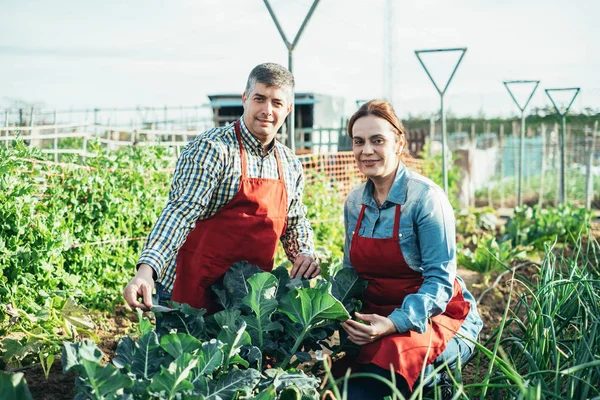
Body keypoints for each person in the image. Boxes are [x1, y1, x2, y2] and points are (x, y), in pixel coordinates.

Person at [123, 63, 320, 314]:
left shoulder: (290, 164)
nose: (267, 110)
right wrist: (146, 271)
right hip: (194, 291)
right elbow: (180, 213)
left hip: (248, 299)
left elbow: (294, 221)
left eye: (277, 103)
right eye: (259, 98)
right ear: (245, 98)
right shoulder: (213, 149)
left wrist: (303, 253)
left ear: (288, 109)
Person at [339, 100, 482, 398]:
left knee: (372, 385)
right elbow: (349, 275)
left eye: (377, 140)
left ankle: (436, 376)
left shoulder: (426, 199)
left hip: (437, 318)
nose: (366, 150)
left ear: (399, 142)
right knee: (339, 379)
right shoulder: (354, 203)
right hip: (377, 319)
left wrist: (393, 323)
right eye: (359, 141)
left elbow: (440, 283)